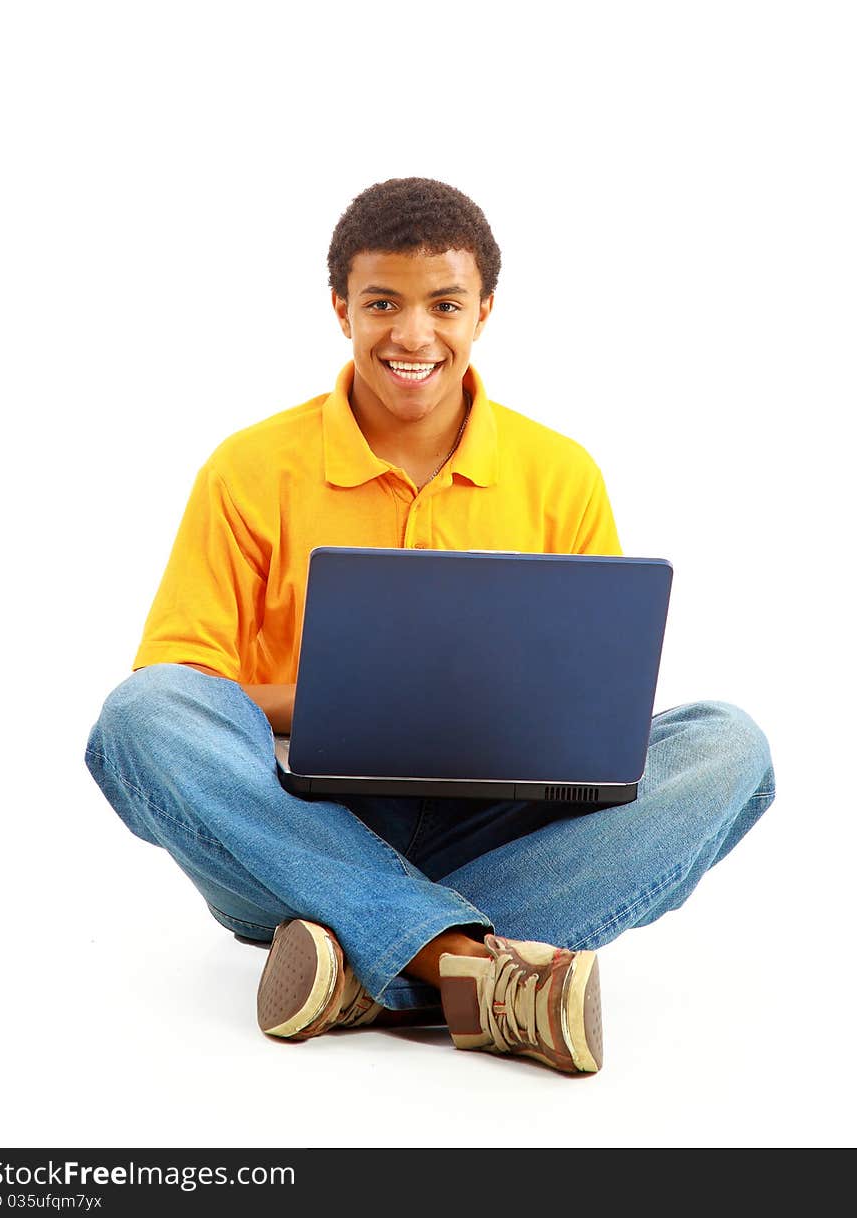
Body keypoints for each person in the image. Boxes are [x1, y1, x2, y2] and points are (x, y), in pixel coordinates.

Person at [85, 177, 776, 1075]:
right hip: (296, 825)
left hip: (498, 824)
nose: (413, 335)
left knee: (731, 746)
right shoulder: (248, 470)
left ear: (484, 310)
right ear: (341, 309)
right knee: (140, 713)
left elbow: (600, 712)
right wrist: (331, 703)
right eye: (383, 303)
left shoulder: (559, 475)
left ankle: (356, 965)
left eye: (444, 304)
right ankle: (470, 972)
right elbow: (185, 690)